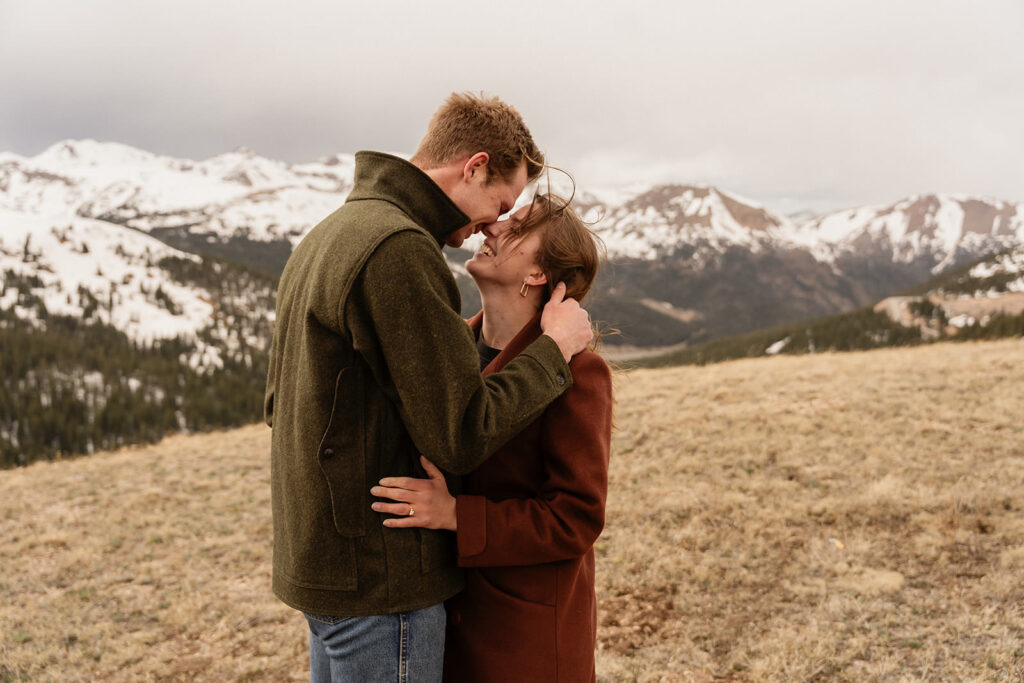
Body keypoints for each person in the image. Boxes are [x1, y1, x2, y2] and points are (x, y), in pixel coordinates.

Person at [263, 93, 595, 682]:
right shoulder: (398, 248)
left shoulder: (332, 231)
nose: (489, 225)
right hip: (381, 574)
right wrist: (553, 352)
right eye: (498, 200)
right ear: (473, 166)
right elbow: (460, 434)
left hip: (331, 566)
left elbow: (278, 405)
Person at [372, 193, 613, 682]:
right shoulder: (452, 348)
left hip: (523, 638)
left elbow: (575, 519)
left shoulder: (581, 373)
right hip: (439, 617)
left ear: (538, 275)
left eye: (516, 227)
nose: (490, 228)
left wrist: (456, 515)